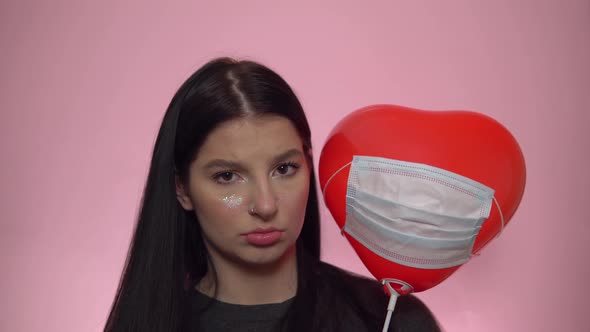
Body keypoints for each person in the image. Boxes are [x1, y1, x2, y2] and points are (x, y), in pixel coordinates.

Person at [104, 57, 442, 332]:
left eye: (284, 169)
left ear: (308, 165)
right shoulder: (148, 323)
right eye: (227, 176)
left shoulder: (390, 320)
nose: (265, 205)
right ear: (182, 189)